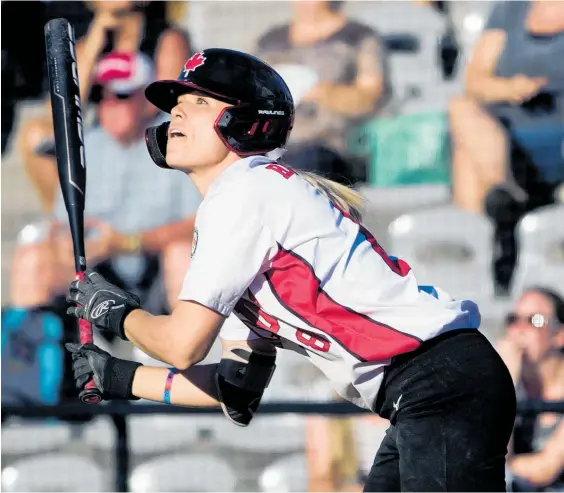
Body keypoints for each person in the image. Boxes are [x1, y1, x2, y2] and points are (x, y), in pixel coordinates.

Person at [64, 48, 516, 492]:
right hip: (430, 390)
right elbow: (237, 390)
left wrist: (116, 315)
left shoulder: (244, 194)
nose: (177, 115)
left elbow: (183, 346)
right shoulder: (243, 204)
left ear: (242, 122)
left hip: (438, 384)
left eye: (199, 102)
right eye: (177, 106)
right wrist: (121, 378)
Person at [17, 0, 191, 213]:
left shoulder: (166, 38)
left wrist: (125, 111)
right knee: (36, 135)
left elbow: (168, 102)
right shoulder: (88, 41)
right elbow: (60, 106)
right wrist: (94, 42)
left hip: (146, 136)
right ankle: (71, 219)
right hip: (102, 136)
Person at [449, 0, 564, 294]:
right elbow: (475, 79)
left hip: (558, 127)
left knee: (467, 157)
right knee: (461, 110)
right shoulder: (510, 10)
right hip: (507, 132)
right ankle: (503, 199)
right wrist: (511, 88)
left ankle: (495, 238)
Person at [254, 0, 390, 184]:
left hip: (329, 148)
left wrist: (316, 90)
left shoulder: (357, 38)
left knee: (295, 171)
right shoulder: (270, 41)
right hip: (269, 147)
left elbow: (370, 98)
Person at [496, 287, 564, 491]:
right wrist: (502, 381)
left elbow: (545, 469)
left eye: (535, 321)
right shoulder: (505, 379)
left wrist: (506, 464)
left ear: (559, 335)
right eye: (513, 320)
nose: (520, 330)